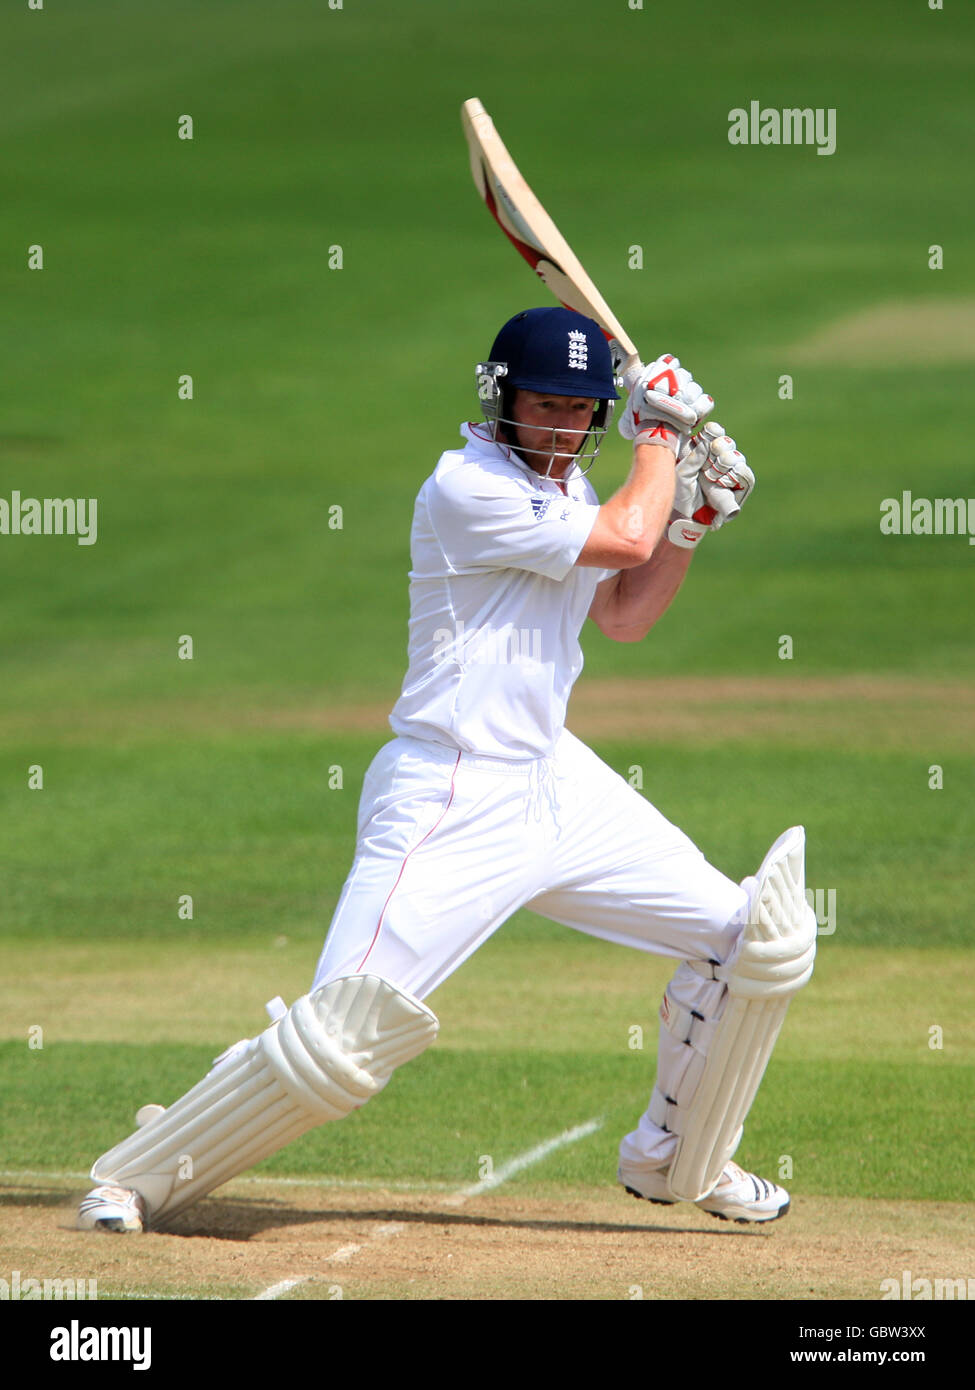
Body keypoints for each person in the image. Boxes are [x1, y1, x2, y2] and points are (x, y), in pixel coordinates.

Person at [77, 307, 815, 1235]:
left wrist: (694, 519)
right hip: (452, 790)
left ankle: (680, 1159)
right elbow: (629, 534)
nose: (562, 426)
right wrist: (663, 437)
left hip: (556, 782)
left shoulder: (575, 494)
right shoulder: (468, 486)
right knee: (341, 1036)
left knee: (755, 942)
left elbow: (625, 610)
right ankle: (138, 1175)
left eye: (582, 410)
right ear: (500, 399)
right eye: (545, 404)